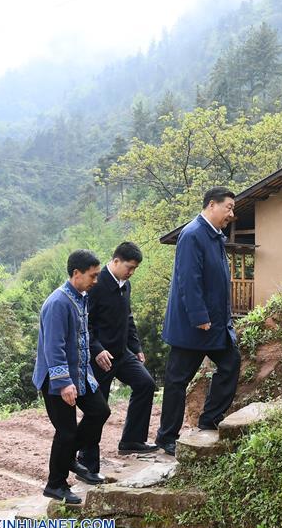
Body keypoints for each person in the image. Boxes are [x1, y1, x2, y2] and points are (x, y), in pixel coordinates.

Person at [155, 186, 241, 456]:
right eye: (228, 207)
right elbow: (188, 279)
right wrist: (199, 316)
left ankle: (209, 419)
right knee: (177, 380)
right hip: (194, 326)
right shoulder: (192, 234)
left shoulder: (215, 236)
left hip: (215, 324)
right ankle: (166, 437)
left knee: (230, 362)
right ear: (211, 205)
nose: (231, 214)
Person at [32, 250, 111, 504]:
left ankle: (68, 459)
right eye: (93, 275)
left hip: (80, 373)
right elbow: (53, 347)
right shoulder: (58, 302)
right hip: (57, 378)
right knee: (65, 432)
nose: (96, 280)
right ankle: (55, 484)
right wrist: (63, 382)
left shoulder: (81, 296)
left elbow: (81, 337)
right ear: (76, 274)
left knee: (100, 411)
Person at [77, 242, 158, 475]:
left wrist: (136, 346)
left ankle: (132, 440)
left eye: (134, 269)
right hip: (100, 358)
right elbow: (85, 323)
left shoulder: (126, 285)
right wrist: (97, 349)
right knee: (98, 410)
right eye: (129, 267)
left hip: (122, 353)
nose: (131, 272)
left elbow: (128, 318)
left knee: (145, 384)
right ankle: (86, 460)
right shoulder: (95, 284)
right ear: (115, 261)